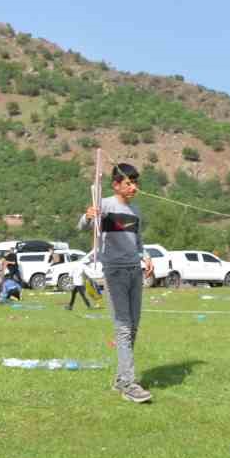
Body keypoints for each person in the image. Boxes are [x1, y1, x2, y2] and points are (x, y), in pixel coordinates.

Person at [80, 163, 155, 403]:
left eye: (135, 183)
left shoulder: (136, 211)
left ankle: (121, 377)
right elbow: (84, 225)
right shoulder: (105, 206)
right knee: (123, 327)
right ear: (116, 185)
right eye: (128, 183)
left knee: (133, 327)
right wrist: (88, 216)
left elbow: (138, 240)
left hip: (135, 271)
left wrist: (145, 256)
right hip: (114, 273)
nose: (134, 187)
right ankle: (128, 383)